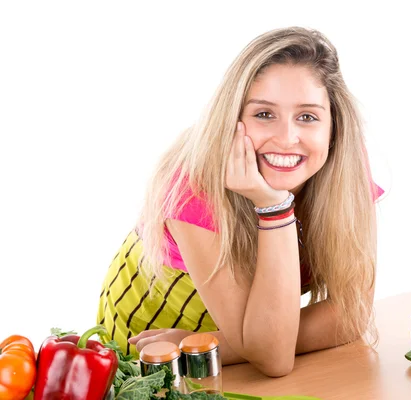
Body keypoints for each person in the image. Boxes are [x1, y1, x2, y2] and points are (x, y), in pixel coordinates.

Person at [97, 26, 384, 377]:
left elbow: (350, 315)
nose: (287, 138)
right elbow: (274, 359)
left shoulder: (346, 169)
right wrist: (274, 206)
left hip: (195, 347)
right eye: (264, 114)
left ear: (333, 127)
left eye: (307, 117)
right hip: (155, 348)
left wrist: (210, 344)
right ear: (231, 118)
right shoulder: (193, 184)